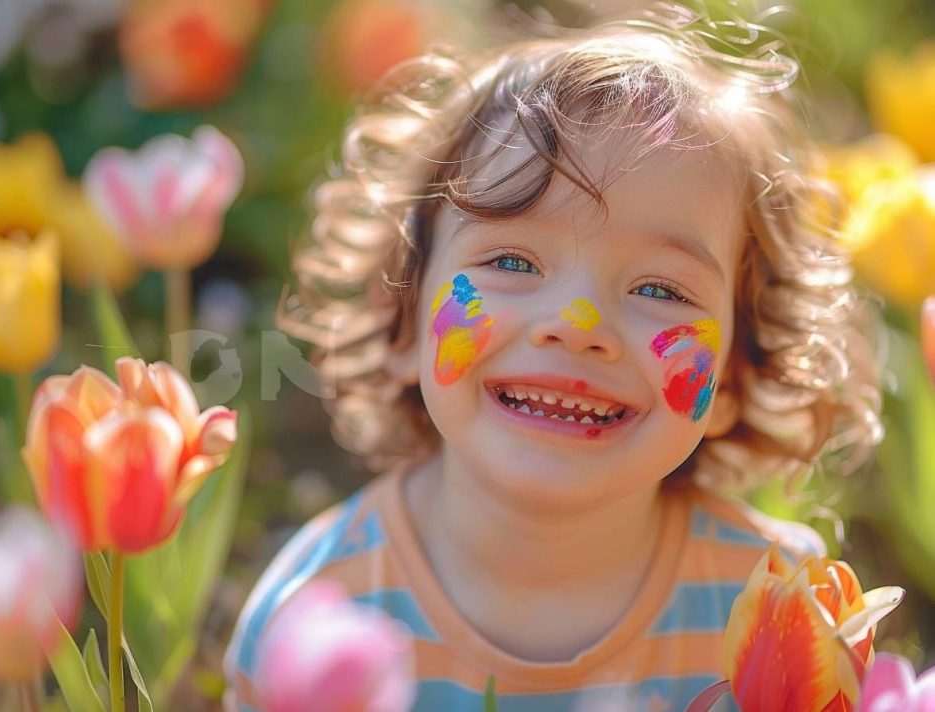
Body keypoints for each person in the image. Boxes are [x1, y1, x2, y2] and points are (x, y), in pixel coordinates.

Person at [225, 5, 882, 710]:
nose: (577, 326)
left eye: (659, 288)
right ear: (404, 319)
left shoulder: (779, 614)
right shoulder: (321, 612)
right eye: (511, 259)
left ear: (733, 377)